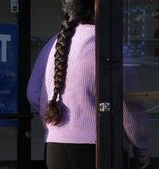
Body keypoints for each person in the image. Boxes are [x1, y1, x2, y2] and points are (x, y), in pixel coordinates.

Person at [26, 0, 150, 168]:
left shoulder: (53, 44)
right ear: (96, 7)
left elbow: (33, 92)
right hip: (100, 148)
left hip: (54, 148)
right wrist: (141, 148)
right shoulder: (109, 45)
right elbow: (127, 105)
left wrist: (56, 119)